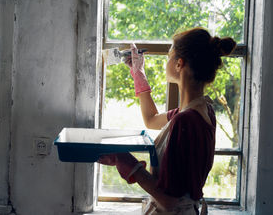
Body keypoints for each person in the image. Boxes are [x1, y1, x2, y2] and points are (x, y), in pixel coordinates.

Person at [98, 27, 237, 214]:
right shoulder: (202, 110)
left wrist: (127, 162)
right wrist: (139, 74)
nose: (166, 61)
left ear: (179, 64)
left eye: (169, 56)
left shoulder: (185, 121)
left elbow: (169, 201)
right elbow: (151, 119)